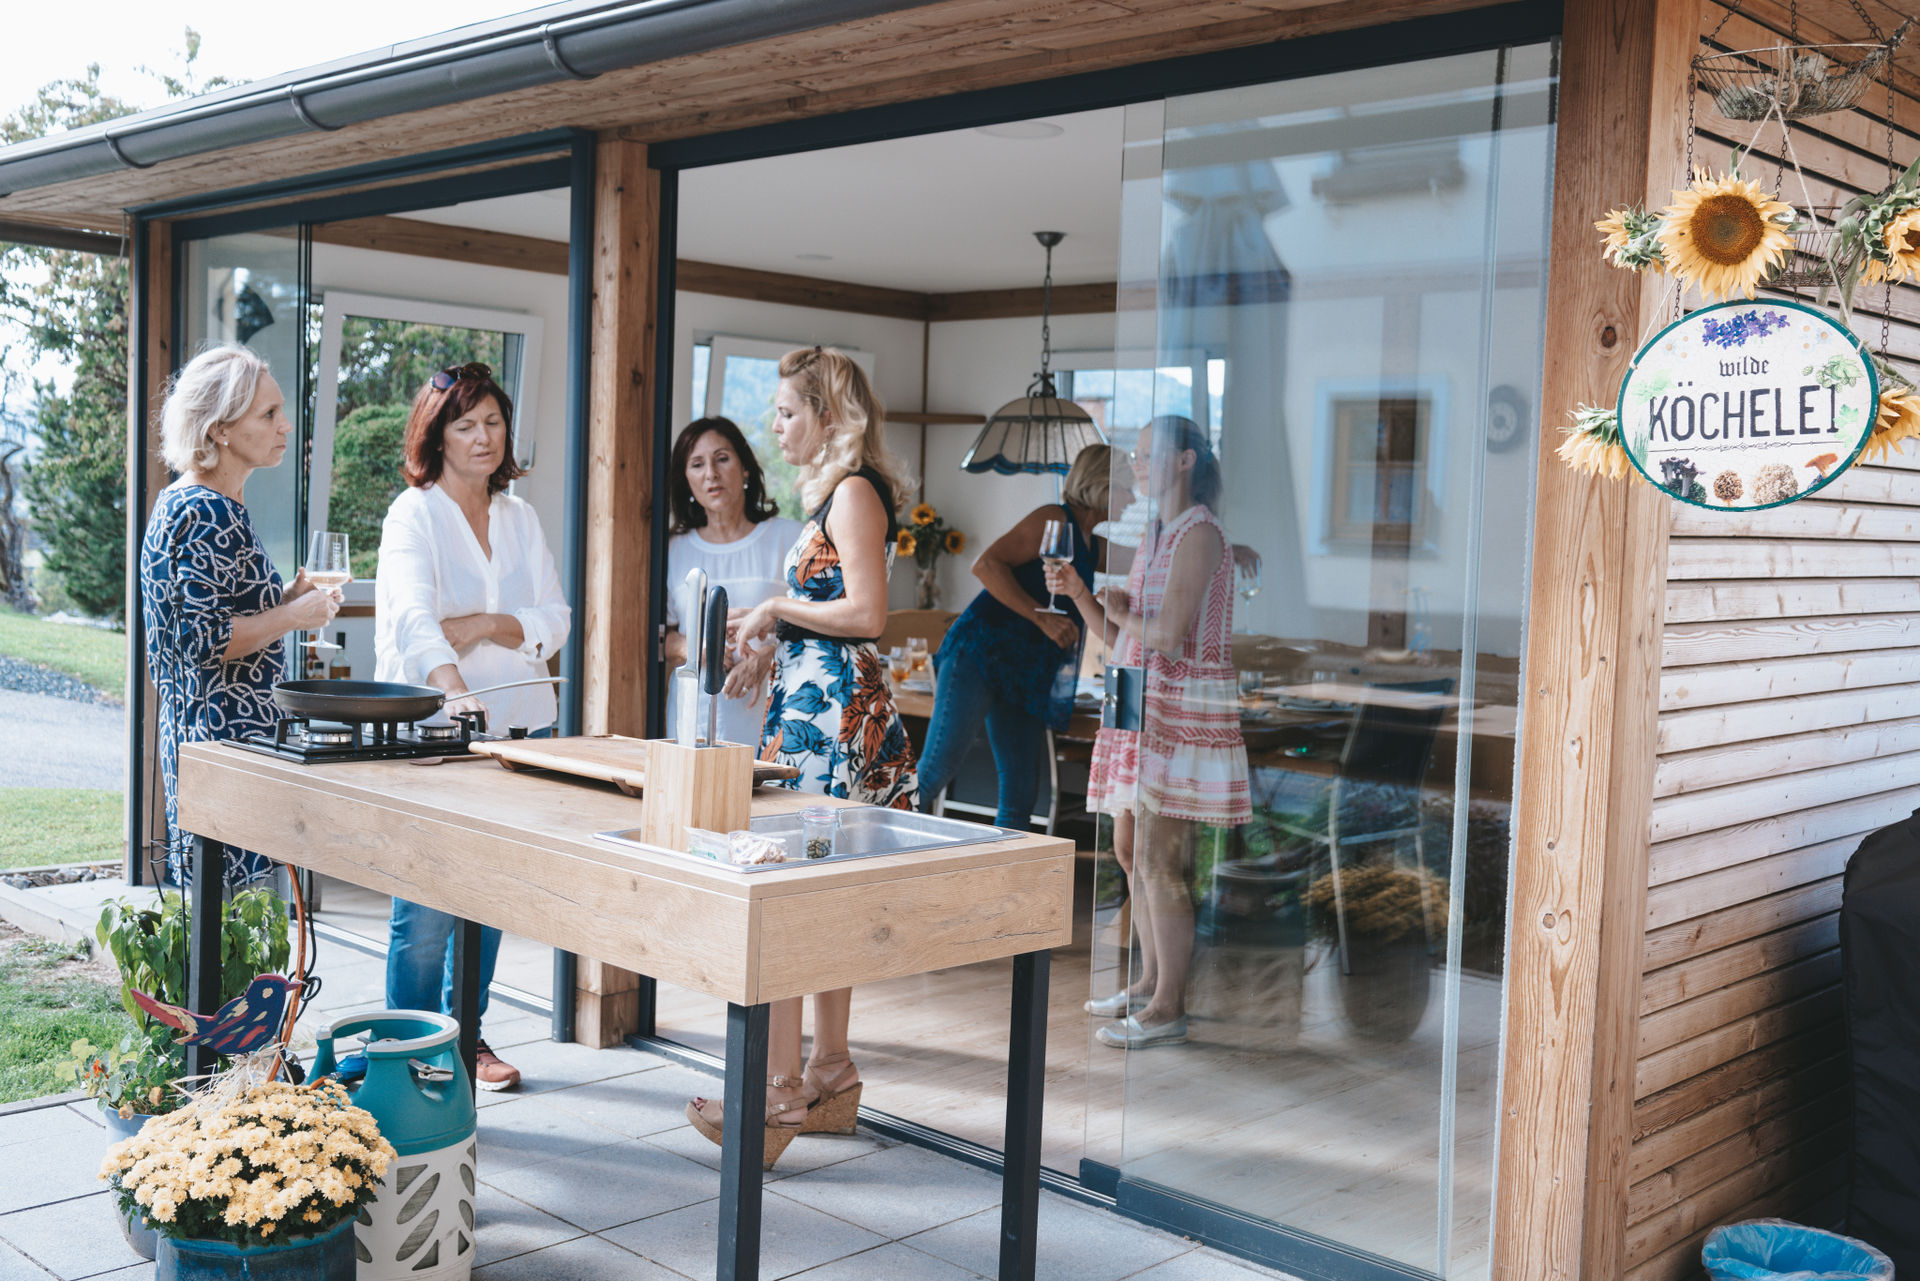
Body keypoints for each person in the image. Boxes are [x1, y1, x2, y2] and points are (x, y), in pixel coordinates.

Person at [687, 345, 917, 1168]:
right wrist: (773, 619)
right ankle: (826, 1068)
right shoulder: (833, 494)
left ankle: (778, 1090)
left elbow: (868, 614)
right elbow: (830, 609)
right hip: (816, 706)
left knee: (784, 895)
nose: (775, 425)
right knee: (814, 895)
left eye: (786, 410)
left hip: (830, 721)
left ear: (827, 414)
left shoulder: (853, 493)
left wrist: (777, 604)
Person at [374, 361, 570, 1091]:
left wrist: (487, 623)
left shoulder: (520, 516)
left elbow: (556, 619)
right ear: (438, 434)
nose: (483, 436)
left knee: (488, 897)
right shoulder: (413, 513)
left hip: (520, 731)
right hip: (437, 737)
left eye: (493, 421)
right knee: (423, 906)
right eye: (466, 424)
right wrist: (455, 690)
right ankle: (407, 1047)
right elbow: (412, 620)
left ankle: (469, 1040)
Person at [1048, 415, 1250, 1050]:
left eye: (1146, 455)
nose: (1135, 465)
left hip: (1177, 710)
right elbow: (1123, 639)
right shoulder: (1160, 532)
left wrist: (1121, 609)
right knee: (1131, 850)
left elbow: (1165, 636)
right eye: (1133, 457)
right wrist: (1084, 596)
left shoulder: (1198, 533)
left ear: (1186, 460)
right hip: (1139, 702)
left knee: (1162, 861)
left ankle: (1169, 1006)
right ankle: (1149, 983)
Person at [141, 345, 341, 888]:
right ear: (221, 430)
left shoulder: (200, 502)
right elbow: (203, 641)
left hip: (218, 744)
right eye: (269, 414)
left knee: (231, 940)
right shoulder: (207, 511)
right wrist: (295, 615)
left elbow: (218, 617)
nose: (285, 425)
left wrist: (289, 595)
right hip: (225, 751)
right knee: (237, 940)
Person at [915, 443, 1109, 829]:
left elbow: (1149, 556)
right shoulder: (1055, 518)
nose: (1134, 495)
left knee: (1022, 790)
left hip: (1024, 670)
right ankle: (870, 855)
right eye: (1127, 486)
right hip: (980, 654)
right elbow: (984, 565)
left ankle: (1004, 885)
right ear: (1103, 485)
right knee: (937, 768)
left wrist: (1215, 544)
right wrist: (1041, 618)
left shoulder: (1093, 544)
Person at [661, 416, 803, 745]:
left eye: (722, 459)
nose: (711, 473)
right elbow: (657, 637)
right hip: (693, 714)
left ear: (746, 469)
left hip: (776, 709)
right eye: (697, 464)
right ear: (686, 480)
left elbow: (817, 624)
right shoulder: (673, 550)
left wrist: (768, 657)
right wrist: (695, 649)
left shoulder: (790, 538)